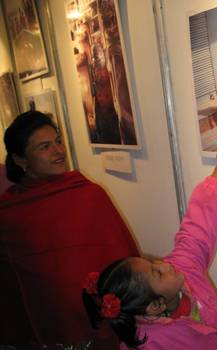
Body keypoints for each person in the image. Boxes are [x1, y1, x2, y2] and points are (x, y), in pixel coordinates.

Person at [83, 131, 217, 349]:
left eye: (153, 263)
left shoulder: (183, 270)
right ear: (155, 305)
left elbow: (196, 231)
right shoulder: (153, 344)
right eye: (157, 272)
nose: (165, 264)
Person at [0, 111, 139, 350]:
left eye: (58, 141)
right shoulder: (8, 212)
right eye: (45, 146)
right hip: (45, 332)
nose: (58, 151)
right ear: (20, 159)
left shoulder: (90, 195)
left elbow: (122, 259)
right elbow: (10, 283)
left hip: (99, 323)